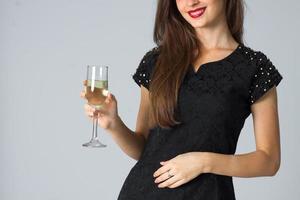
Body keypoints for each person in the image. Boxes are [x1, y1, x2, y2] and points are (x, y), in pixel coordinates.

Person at [80, 0, 283, 199]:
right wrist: (113, 124)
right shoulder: (157, 61)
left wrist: (204, 161)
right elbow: (144, 149)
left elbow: (269, 161)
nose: (191, 2)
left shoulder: (255, 68)